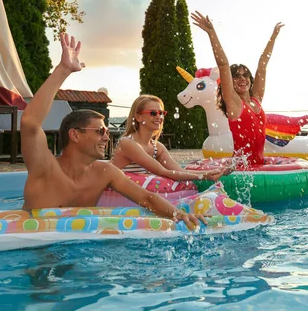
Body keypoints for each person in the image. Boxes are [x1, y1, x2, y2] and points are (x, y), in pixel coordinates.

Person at [21, 33, 203, 229]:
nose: (107, 137)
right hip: (37, 252)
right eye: (100, 131)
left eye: (107, 131)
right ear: (75, 135)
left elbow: (148, 198)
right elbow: (30, 123)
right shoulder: (44, 168)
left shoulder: (103, 171)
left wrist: (179, 214)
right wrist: (63, 70)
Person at [191, 11, 283, 165]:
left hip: (260, 164)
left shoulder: (256, 100)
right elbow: (223, 65)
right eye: (237, 76)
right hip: (242, 167)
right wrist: (211, 33)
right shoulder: (233, 102)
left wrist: (273, 36)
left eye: (245, 75)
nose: (242, 79)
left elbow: (262, 66)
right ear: (230, 82)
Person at [110, 94, 228, 188]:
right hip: (114, 194)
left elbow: (179, 171)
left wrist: (213, 171)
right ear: (138, 117)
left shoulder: (157, 147)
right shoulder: (127, 143)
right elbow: (163, 172)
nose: (159, 117)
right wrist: (205, 176)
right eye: (153, 113)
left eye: (161, 113)